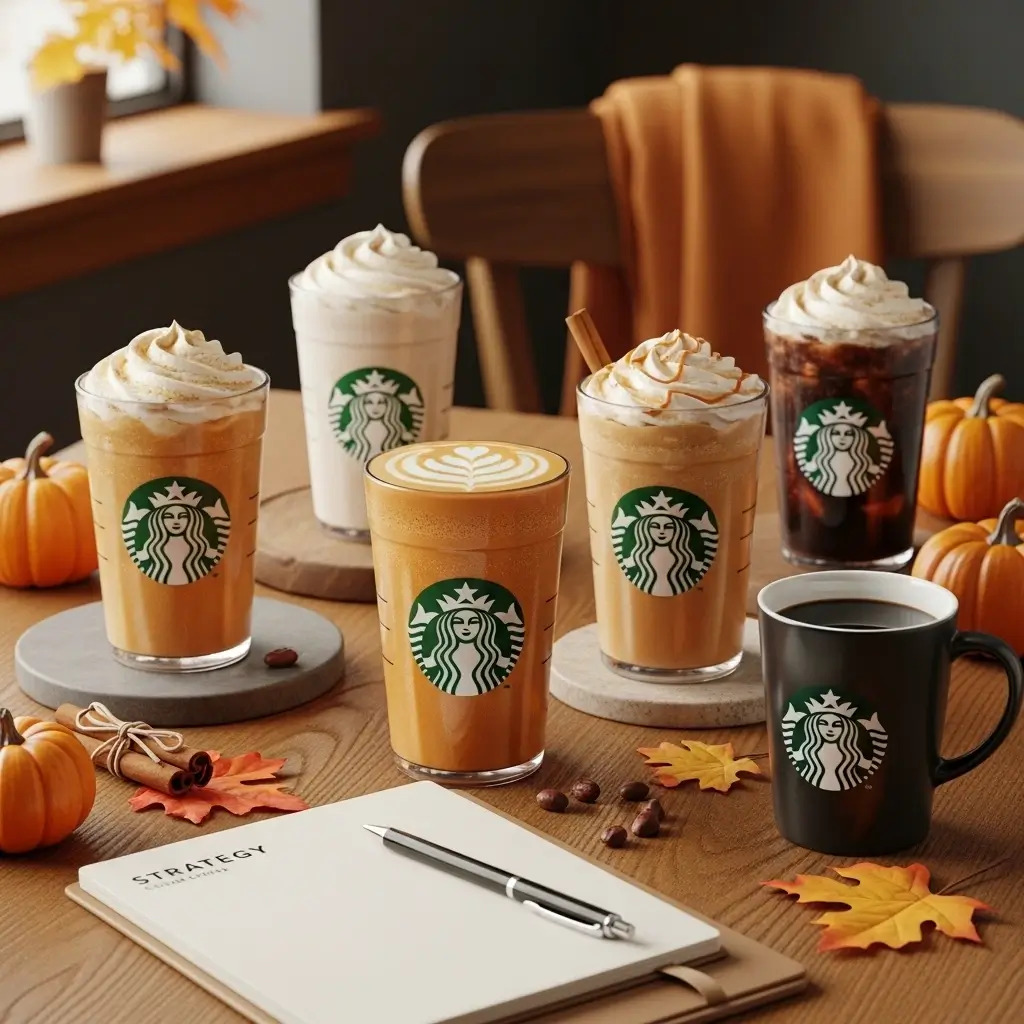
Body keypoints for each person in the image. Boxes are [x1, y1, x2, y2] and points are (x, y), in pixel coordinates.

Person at [427, 607, 508, 695]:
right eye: (458, 622)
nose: (466, 627)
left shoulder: (492, 652)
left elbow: (505, 664)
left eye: (473, 622)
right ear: (449, 626)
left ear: (483, 625)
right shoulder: (440, 653)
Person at [138, 504, 218, 585]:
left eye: (182, 516)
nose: (176, 521)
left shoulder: (200, 545)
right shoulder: (152, 546)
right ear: (159, 521)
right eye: (169, 517)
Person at [791, 711, 873, 790]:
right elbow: (791, 757)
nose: (830, 729)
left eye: (836, 725)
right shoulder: (807, 749)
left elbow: (869, 766)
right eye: (823, 724)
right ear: (815, 726)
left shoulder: (853, 752)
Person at [628, 513, 699, 596]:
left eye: (668, 527)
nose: (661, 531)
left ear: (677, 530)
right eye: (655, 526)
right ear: (646, 530)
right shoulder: (637, 555)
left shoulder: (686, 557)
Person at [808, 422, 877, 497]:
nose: (842, 438)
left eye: (848, 434)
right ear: (827, 437)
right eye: (836, 433)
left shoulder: (863, 461)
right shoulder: (820, 459)